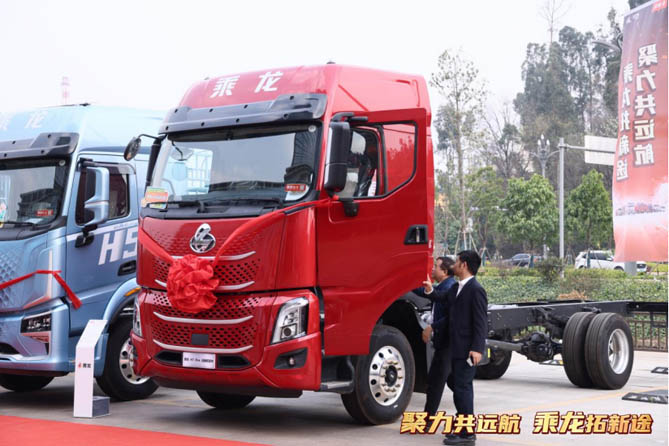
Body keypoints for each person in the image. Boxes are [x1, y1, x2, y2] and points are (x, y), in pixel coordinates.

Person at [423, 250, 488, 445]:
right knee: (460, 390)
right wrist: (430, 290)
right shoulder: (457, 288)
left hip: (467, 350)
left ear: (464, 265)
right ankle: (462, 430)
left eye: (457, 261)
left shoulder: (476, 289)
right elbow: (442, 297)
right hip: (456, 348)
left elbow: (481, 322)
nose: (454, 265)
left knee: (463, 390)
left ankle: (467, 434)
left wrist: (477, 348)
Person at [413, 256, 456, 416]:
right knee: (455, 383)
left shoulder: (449, 288)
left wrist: (431, 327)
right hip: (444, 343)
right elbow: (428, 292)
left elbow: (451, 317)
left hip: (446, 343)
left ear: (444, 272)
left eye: (436, 267)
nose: (432, 269)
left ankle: (428, 420)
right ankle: (466, 412)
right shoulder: (444, 286)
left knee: (435, 384)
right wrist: (407, 284)